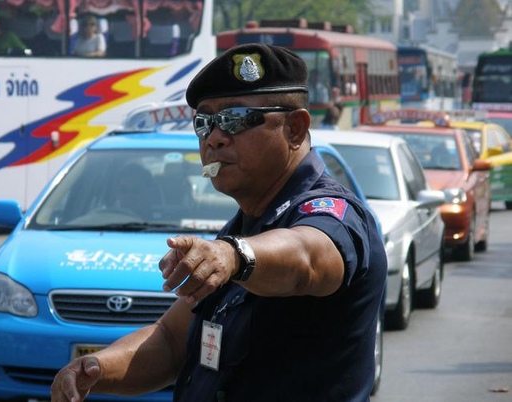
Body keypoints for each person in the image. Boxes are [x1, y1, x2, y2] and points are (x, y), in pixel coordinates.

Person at [51, 43, 387, 402]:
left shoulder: (331, 211)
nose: (213, 137)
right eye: (204, 122)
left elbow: (306, 257)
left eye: (235, 119)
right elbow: (170, 341)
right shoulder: (243, 228)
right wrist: (94, 369)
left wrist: (233, 257)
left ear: (294, 129)